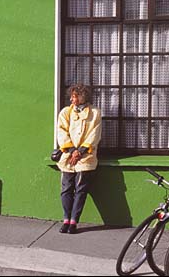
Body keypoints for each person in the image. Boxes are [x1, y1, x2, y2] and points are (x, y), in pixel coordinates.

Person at [56, 84, 101, 234]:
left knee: (81, 189)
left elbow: (94, 134)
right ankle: (66, 219)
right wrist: (71, 150)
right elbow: (61, 131)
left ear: (83, 96)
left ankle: (74, 221)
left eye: (75, 96)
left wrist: (80, 151)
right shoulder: (65, 112)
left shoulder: (95, 113)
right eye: (71, 96)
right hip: (68, 156)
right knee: (66, 189)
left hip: (85, 157)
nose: (72, 99)